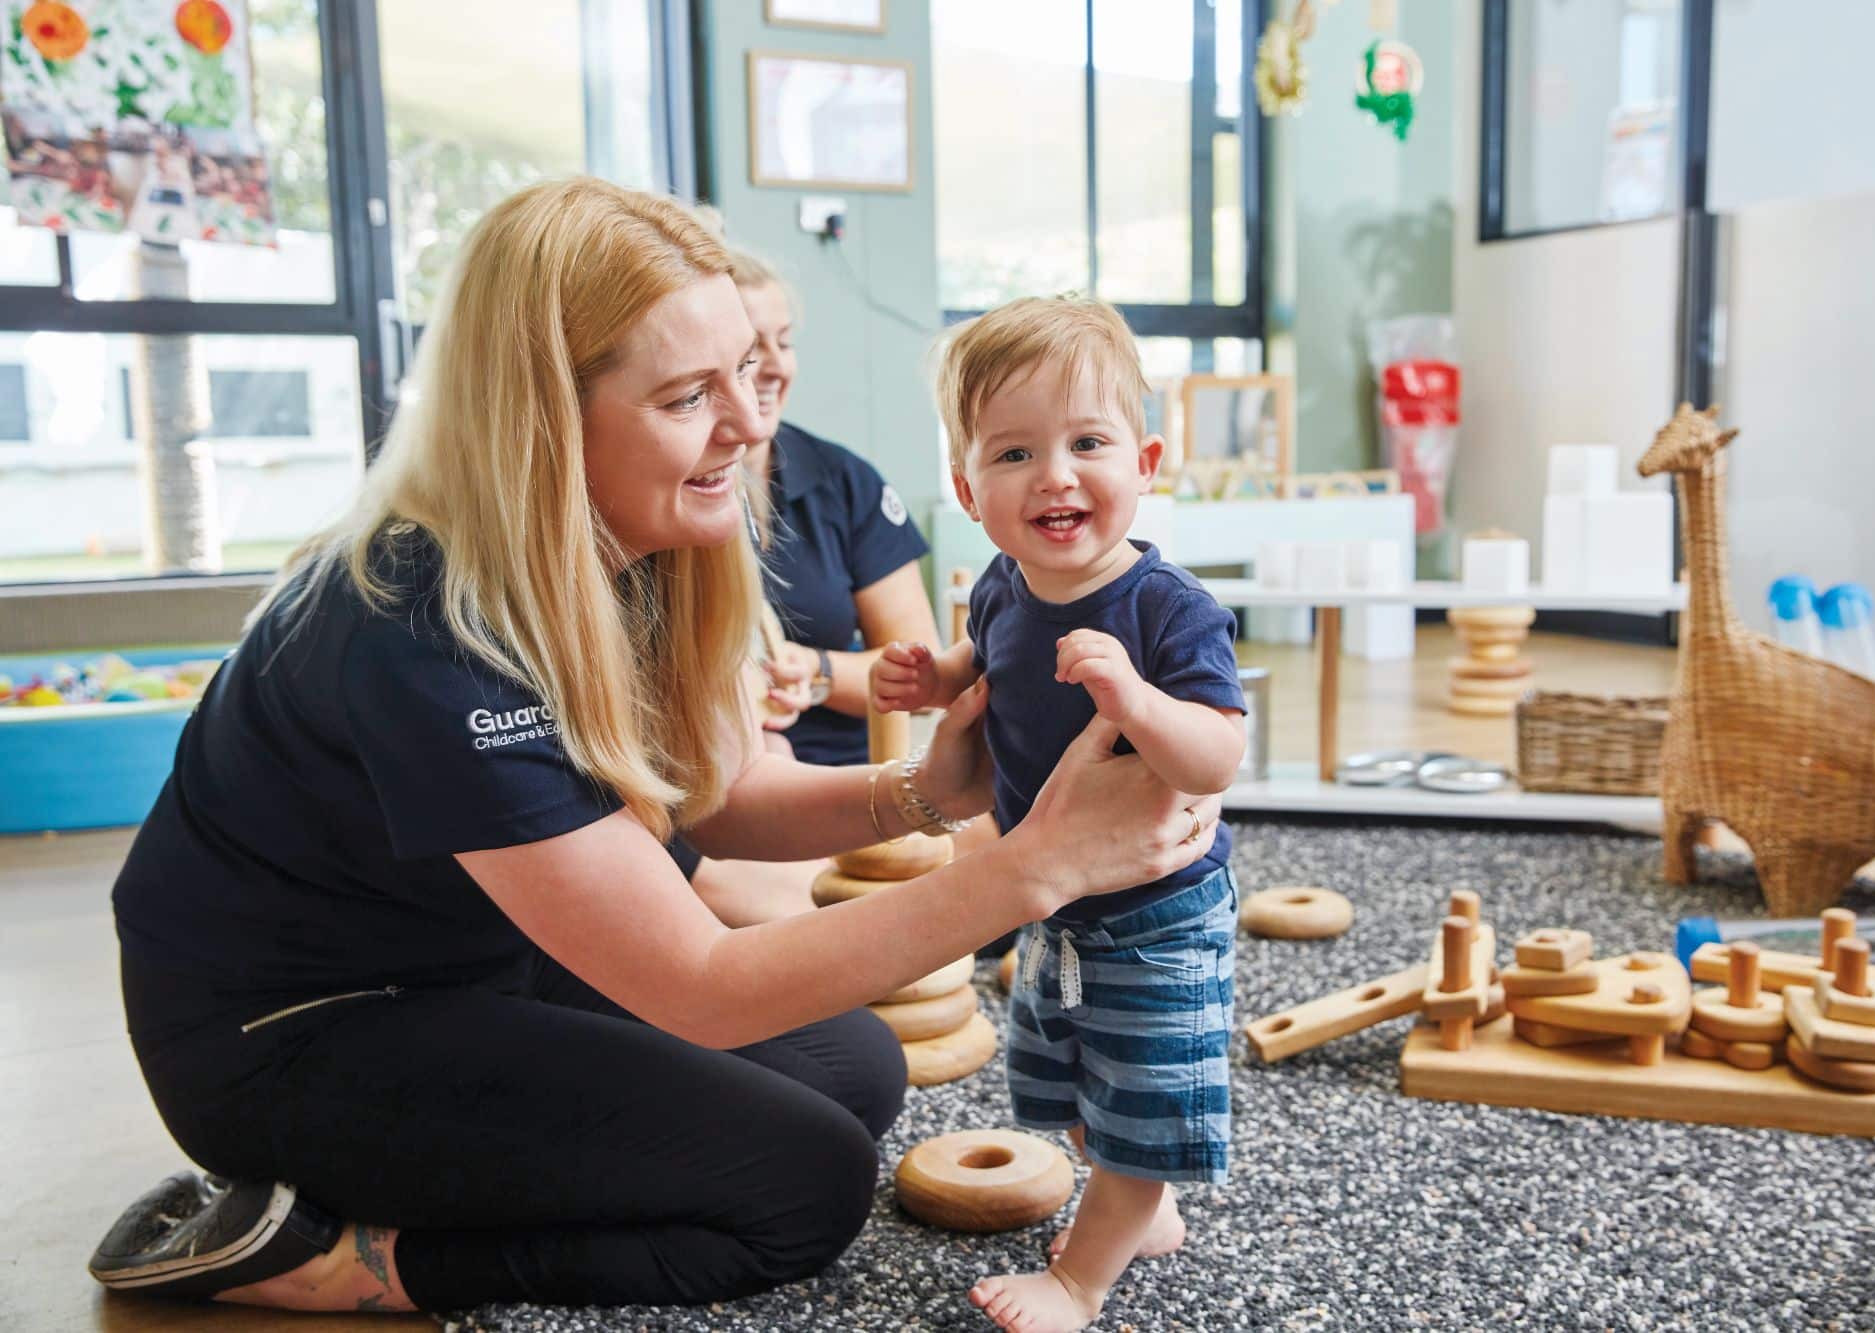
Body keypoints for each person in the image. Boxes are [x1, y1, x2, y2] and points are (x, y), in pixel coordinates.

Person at [86, 180, 1223, 1316]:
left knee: (852, 1068)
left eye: (751, 371)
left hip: (464, 959)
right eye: (689, 395)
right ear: (542, 417)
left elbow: (715, 801)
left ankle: (457, 1169)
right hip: (287, 1033)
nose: (750, 423)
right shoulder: (423, 631)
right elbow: (702, 987)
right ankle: (342, 1259)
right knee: (799, 1186)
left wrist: (923, 791)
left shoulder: (633, 540)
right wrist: (1034, 866)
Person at [871, 295, 1246, 1333]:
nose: (1055, 475)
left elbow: (1217, 750)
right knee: (1070, 1089)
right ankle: (1141, 1205)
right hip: (1055, 899)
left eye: (1087, 442)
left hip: (1156, 908)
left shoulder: (1167, 609)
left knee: (1138, 1115)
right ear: (965, 487)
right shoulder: (1002, 583)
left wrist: (1136, 699)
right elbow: (984, 661)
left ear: (1146, 461)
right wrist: (932, 675)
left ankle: (1083, 1276)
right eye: (1014, 452)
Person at [674, 247, 944, 926]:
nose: (770, 367)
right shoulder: (665, 490)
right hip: (724, 777)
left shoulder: (845, 481)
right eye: (744, 351)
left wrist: (816, 672)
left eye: (782, 343)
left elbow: (920, 668)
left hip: (846, 767)